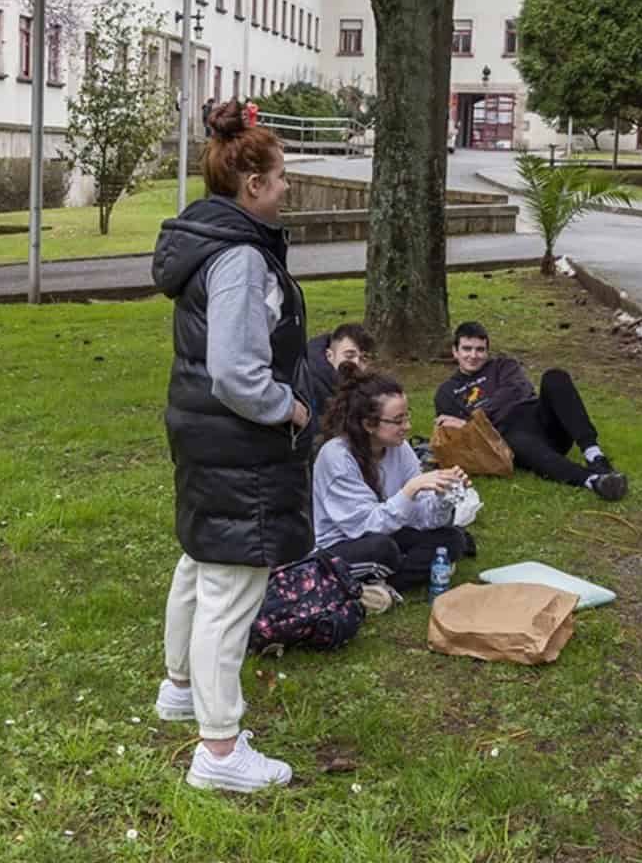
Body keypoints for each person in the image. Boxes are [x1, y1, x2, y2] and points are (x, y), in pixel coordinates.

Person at [149, 99, 312, 793]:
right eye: (279, 178)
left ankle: (180, 689)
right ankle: (219, 755)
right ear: (252, 187)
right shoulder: (241, 257)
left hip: (200, 427)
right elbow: (237, 371)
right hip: (238, 435)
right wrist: (292, 409)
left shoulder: (207, 238)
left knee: (200, 557)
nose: (285, 188)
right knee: (232, 584)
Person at [434, 320, 629, 500]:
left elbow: (516, 390)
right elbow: (453, 436)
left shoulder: (504, 365)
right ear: (455, 351)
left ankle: (594, 455)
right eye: (466, 349)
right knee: (514, 439)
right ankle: (594, 480)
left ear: (487, 351)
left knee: (555, 376)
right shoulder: (446, 393)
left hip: (541, 420)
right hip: (509, 438)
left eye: (480, 350)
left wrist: (472, 420)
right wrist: (471, 426)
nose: (473, 356)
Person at [312, 372, 471, 591]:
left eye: (407, 416)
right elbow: (365, 526)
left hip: (387, 530)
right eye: (398, 420)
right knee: (383, 549)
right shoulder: (336, 457)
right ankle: (376, 581)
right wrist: (410, 490)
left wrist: (443, 494)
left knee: (453, 539)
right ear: (369, 424)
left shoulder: (400, 448)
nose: (407, 426)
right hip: (343, 543)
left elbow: (422, 518)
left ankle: (377, 584)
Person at [297, 321, 377, 442]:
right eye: (349, 356)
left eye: (363, 358)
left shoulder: (368, 385)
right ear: (330, 356)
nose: (356, 363)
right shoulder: (310, 384)